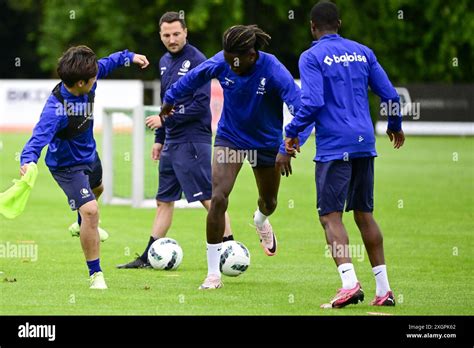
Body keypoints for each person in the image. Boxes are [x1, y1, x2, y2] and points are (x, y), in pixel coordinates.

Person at [159, 24, 313, 289]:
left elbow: (303, 110)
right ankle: (212, 274)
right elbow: (191, 79)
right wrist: (170, 100)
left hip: (265, 144)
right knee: (218, 197)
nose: (231, 66)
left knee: (270, 202)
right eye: (227, 60)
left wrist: (287, 147)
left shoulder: (274, 69)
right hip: (230, 138)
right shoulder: (222, 60)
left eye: (236, 61)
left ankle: (261, 221)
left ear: (252, 55)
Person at [284, 1, 405, 307]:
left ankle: (349, 283)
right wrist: (395, 125)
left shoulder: (311, 56)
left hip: (335, 146)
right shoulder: (363, 52)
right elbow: (390, 94)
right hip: (365, 143)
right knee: (364, 214)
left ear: (313, 27)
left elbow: (311, 103)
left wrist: (291, 132)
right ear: (339, 23)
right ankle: (384, 290)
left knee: (330, 216)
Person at [20, 45, 149, 289]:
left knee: (98, 189)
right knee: (90, 210)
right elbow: (38, 138)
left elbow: (108, 63)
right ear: (80, 83)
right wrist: (27, 161)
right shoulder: (55, 110)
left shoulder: (89, 77)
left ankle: (80, 225)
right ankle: (96, 274)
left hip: (89, 155)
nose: (96, 79)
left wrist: (129, 57)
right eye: (92, 79)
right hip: (66, 165)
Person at [117, 12, 233, 269]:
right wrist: (160, 138)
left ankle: (230, 246)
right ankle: (148, 256)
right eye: (166, 35)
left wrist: (164, 122)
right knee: (164, 199)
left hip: (193, 140)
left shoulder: (198, 61)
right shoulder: (163, 61)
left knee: (208, 197)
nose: (172, 39)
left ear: (186, 32)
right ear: (160, 36)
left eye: (176, 34)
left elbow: (201, 106)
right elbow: (165, 104)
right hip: (172, 141)